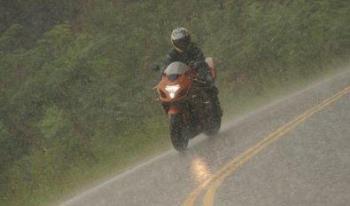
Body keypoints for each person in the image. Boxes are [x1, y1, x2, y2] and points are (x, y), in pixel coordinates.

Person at [161, 27, 222, 117]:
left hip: (196, 72)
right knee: (166, 90)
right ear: (174, 42)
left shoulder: (194, 49)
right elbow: (167, 65)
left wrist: (197, 63)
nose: (181, 43)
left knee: (207, 81)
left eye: (183, 40)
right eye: (179, 41)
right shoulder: (172, 54)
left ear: (188, 39)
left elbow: (200, 58)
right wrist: (163, 71)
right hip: (182, 77)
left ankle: (215, 107)